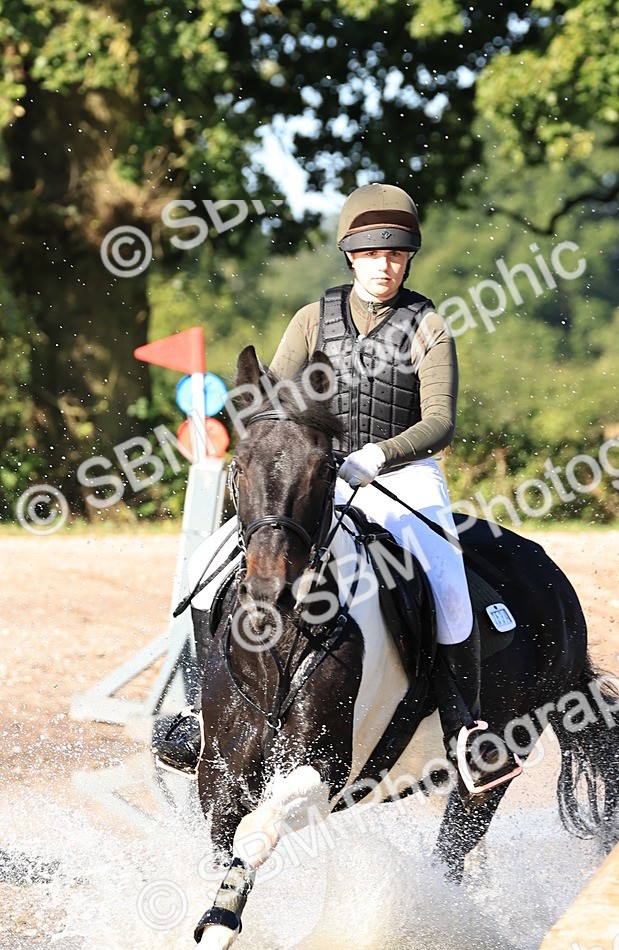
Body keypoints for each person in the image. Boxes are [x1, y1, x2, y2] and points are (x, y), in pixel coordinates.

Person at [153, 183, 521, 794]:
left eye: (397, 255)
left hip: (401, 473)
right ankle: (198, 709)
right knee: (206, 561)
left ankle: (465, 728)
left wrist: (378, 454)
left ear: (408, 259)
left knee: (447, 579)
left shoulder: (427, 324)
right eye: (374, 255)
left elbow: (440, 422)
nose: (386, 266)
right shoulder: (310, 320)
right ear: (351, 256)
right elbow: (272, 401)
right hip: (315, 477)